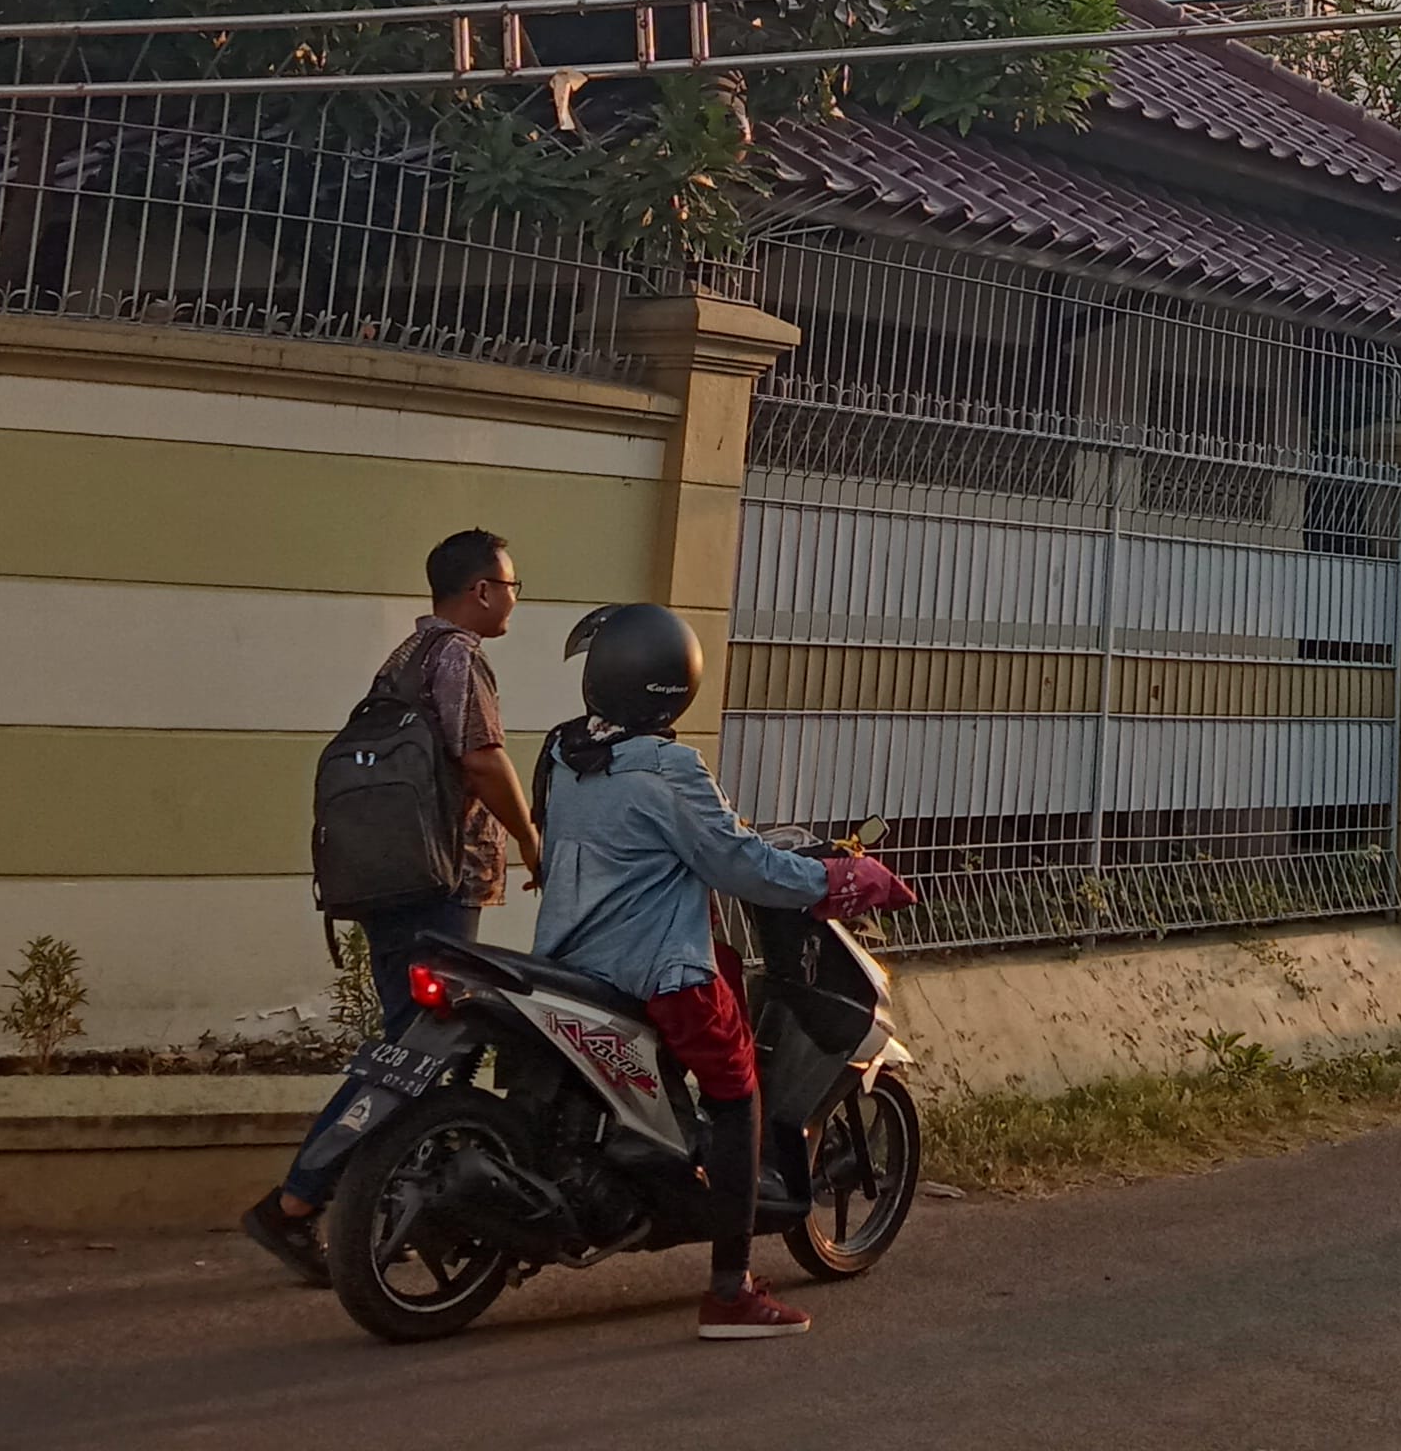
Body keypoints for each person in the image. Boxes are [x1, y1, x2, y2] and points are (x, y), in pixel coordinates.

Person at [533, 600, 907, 1343]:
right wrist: (841, 879)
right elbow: (738, 864)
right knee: (738, 1089)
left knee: (727, 982)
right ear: (676, 686)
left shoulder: (562, 751)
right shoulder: (669, 767)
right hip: (655, 969)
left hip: (568, 956)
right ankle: (731, 1290)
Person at [243, 529, 545, 1283]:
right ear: (481, 590)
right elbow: (480, 758)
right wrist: (533, 839)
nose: (514, 598)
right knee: (415, 1055)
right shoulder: (459, 657)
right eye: (511, 585)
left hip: (389, 883)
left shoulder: (404, 660)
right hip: (437, 886)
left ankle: (400, 1204)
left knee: (419, 1054)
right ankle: (295, 1204)